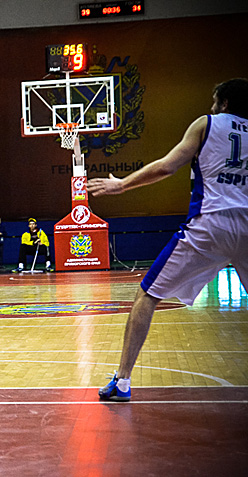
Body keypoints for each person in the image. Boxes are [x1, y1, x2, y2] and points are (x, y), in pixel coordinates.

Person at [86, 78, 248, 402]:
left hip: (210, 223)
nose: (212, 106)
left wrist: (121, 185)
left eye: (215, 101)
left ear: (225, 103)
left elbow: (166, 167)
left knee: (147, 294)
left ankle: (122, 381)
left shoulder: (207, 123)